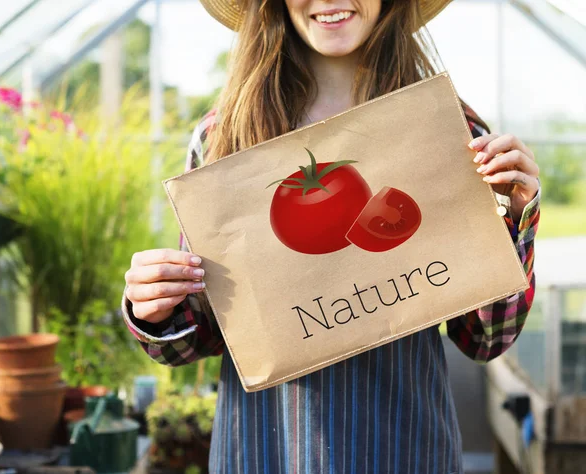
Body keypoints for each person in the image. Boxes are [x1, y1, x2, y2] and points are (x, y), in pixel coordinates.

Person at [122, 0, 540, 472]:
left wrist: (516, 218)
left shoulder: (450, 130)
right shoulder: (224, 137)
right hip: (268, 451)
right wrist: (155, 306)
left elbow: (484, 339)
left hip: (403, 449)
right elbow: (200, 337)